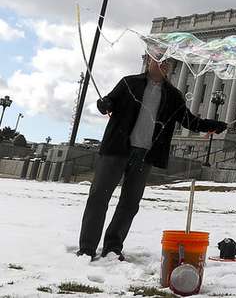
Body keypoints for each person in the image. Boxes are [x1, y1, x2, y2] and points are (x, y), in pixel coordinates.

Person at [77, 54, 227, 261]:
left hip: (145, 155)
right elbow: (110, 101)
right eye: (160, 59)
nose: (165, 64)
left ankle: (113, 247)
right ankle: (86, 247)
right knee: (98, 198)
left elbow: (189, 121)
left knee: (130, 203)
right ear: (149, 62)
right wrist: (104, 104)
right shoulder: (129, 82)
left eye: (168, 62)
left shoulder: (173, 95)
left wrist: (213, 125)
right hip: (116, 149)